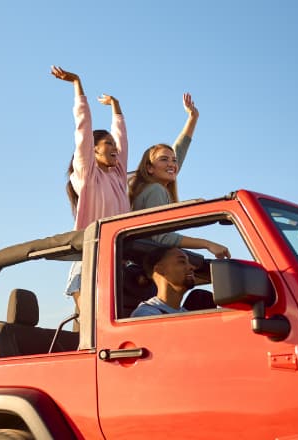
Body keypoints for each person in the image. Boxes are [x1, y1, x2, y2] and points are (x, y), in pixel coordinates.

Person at [51, 66, 129, 308]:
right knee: (93, 324)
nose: (114, 147)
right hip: (90, 261)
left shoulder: (117, 176)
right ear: (93, 151)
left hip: (117, 259)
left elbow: (122, 139)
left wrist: (116, 107)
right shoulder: (86, 175)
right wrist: (77, 84)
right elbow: (83, 130)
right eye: (108, 144)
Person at [128, 94, 231, 259]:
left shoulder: (154, 187)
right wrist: (207, 244)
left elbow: (180, 150)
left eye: (173, 161)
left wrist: (193, 118)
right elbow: (162, 238)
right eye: (164, 159)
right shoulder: (154, 190)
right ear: (150, 168)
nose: (172, 164)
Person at [131, 246, 197, 317]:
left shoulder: (187, 314)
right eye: (182, 261)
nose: (192, 267)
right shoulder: (146, 315)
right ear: (159, 270)